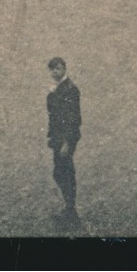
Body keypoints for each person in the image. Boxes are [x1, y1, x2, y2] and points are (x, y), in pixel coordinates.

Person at [45, 57, 82, 220]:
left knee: (63, 172)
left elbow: (73, 119)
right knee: (61, 172)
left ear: (64, 69)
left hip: (66, 138)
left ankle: (70, 210)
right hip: (58, 137)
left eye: (58, 69)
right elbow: (54, 115)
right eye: (52, 69)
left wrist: (67, 142)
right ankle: (69, 208)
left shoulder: (70, 89)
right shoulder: (59, 88)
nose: (55, 72)